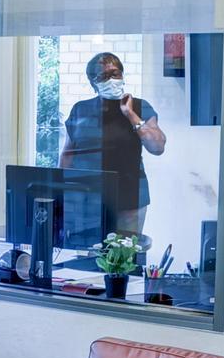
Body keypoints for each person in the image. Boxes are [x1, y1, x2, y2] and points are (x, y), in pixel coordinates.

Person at [60, 50, 166, 237]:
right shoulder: (81, 109)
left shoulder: (140, 107)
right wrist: (60, 192)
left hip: (129, 197)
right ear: (94, 83)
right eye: (104, 76)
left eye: (115, 74)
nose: (111, 79)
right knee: (90, 255)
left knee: (125, 257)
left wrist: (130, 114)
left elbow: (157, 147)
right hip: (87, 199)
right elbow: (68, 154)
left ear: (122, 76)